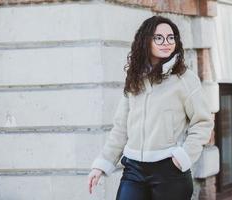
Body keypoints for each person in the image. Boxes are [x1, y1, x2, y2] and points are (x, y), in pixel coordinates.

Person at [88, 15, 214, 200]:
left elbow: (202, 122)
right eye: (159, 37)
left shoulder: (185, 79)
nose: (166, 42)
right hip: (134, 170)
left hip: (170, 172)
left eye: (171, 37)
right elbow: (121, 128)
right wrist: (102, 164)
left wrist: (183, 157)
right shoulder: (134, 79)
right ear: (146, 41)